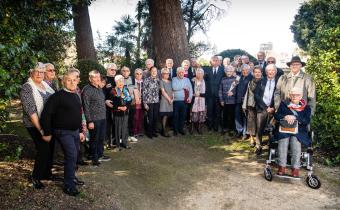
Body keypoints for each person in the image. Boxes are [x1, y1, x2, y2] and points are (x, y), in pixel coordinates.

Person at [40, 71, 85, 196]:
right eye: (69, 80)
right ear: (63, 81)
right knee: (71, 155)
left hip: (75, 131)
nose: (72, 82)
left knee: (76, 155)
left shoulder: (76, 95)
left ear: (77, 81)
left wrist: (81, 131)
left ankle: (71, 177)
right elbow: (46, 115)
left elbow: (78, 115)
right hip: (62, 131)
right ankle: (68, 185)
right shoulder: (57, 96)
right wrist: (47, 132)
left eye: (74, 80)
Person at [20, 62, 55, 189]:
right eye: (37, 71)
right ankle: (36, 177)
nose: (40, 74)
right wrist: (41, 129)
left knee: (51, 148)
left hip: (48, 123)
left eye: (42, 72)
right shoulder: (27, 87)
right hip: (34, 124)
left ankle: (47, 173)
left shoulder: (46, 85)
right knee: (43, 149)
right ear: (31, 73)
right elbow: (31, 111)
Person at [274, 87, 311, 177]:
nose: (294, 97)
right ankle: (281, 166)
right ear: (290, 96)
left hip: (299, 131)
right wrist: (285, 116)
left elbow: (306, 120)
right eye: (292, 95)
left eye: (297, 95)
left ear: (301, 96)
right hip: (284, 129)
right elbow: (277, 115)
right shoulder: (284, 104)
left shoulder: (306, 108)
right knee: (283, 140)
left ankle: (295, 168)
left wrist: (296, 118)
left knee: (295, 141)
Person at [82, 70, 109, 166]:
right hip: (94, 119)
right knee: (94, 139)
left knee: (101, 138)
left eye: (99, 77)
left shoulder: (99, 88)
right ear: (90, 78)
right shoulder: (87, 90)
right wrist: (89, 121)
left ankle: (100, 154)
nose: (98, 79)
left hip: (102, 117)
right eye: (95, 77)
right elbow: (86, 106)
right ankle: (94, 158)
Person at [254, 64, 278, 155]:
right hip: (262, 108)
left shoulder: (278, 82)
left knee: (273, 128)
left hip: (273, 109)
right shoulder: (261, 81)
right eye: (269, 70)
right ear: (266, 72)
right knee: (259, 128)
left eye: (272, 70)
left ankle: (271, 146)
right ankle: (258, 146)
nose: (271, 72)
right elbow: (257, 96)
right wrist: (265, 107)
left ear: (275, 71)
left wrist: (273, 108)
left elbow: (280, 96)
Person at [107, 75, 132, 150]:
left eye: (122, 81)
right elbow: (111, 103)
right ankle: (117, 145)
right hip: (117, 113)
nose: (121, 82)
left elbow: (129, 100)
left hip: (125, 112)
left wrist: (126, 107)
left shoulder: (125, 89)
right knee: (118, 129)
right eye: (119, 81)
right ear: (116, 82)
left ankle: (124, 143)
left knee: (125, 128)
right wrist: (119, 107)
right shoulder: (113, 91)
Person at [242, 66, 262, 144]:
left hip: (261, 105)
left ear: (261, 73)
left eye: (259, 72)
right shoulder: (250, 82)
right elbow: (247, 94)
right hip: (251, 104)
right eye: (255, 72)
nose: (257, 74)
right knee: (251, 122)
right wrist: (245, 105)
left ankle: (258, 139)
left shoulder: (264, 82)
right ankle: (251, 138)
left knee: (259, 123)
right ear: (253, 73)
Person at [205, 55, 224, 132]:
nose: (215, 62)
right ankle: (210, 126)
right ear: (211, 62)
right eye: (214, 60)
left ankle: (216, 127)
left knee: (217, 112)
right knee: (210, 111)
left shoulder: (223, 70)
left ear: (219, 61)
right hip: (209, 95)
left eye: (217, 60)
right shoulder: (207, 70)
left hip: (219, 95)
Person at [172, 67, 193, 136]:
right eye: (179, 72)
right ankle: (175, 130)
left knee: (183, 116)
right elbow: (174, 88)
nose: (181, 73)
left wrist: (190, 97)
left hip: (184, 101)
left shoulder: (187, 79)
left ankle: (181, 129)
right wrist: (183, 87)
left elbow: (190, 90)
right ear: (177, 73)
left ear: (184, 73)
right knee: (175, 116)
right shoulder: (174, 79)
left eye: (182, 72)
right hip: (176, 101)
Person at [235, 64, 253, 139]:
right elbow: (234, 85)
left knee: (245, 117)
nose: (244, 71)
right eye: (243, 70)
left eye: (246, 70)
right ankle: (239, 130)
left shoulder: (252, 78)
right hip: (238, 100)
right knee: (237, 116)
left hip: (246, 101)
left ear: (249, 70)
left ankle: (245, 133)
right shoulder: (239, 77)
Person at [219, 65, 238, 135]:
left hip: (233, 101)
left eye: (230, 71)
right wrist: (221, 100)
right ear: (225, 72)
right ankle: (224, 128)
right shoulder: (223, 79)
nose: (229, 72)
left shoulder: (236, 79)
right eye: (227, 71)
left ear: (233, 72)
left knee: (232, 116)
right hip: (224, 101)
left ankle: (231, 129)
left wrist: (232, 93)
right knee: (224, 116)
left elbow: (238, 90)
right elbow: (220, 90)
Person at [142, 66, 160, 138]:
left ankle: (154, 131)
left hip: (156, 101)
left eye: (155, 71)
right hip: (149, 101)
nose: (154, 72)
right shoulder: (146, 80)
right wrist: (145, 103)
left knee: (155, 117)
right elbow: (144, 92)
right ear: (150, 71)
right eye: (153, 70)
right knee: (150, 117)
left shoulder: (158, 80)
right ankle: (149, 133)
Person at [121, 66, 138, 142]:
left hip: (132, 102)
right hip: (123, 103)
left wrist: (135, 99)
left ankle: (131, 135)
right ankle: (122, 136)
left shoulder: (133, 79)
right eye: (123, 71)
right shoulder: (119, 79)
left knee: (131, 119)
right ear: (121, 72)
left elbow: (136, 90)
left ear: (129, 72)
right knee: (123, 120)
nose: (125, 72)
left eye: (127, 71)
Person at [104, 63, 117, 149]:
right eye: (111, 69)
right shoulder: (103, 79)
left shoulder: (117, 79)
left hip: (116, 105)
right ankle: (107, 143)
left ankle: (115, 141)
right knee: (108, 124)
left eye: (115, 70)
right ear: (107, 70)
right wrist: (105, 101)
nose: (113, 71)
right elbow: (100, 91)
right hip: (106, 106)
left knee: (116, 123)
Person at [190, 68, 206, 134]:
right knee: (193, 114)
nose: (199, 74)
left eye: (200, 73)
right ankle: (192, 128)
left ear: (203, 74)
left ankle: (200, 128)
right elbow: (189, 89)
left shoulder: (205, 81)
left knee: (201, 115)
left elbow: (208, 93)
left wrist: (200, 94)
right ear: (195, 74)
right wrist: (193, 94)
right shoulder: (193, 81)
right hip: (194, 100)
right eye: (197, 73)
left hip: (203, 100)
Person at [159, 68, 173, 137]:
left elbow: (172, 90)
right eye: (165, 73)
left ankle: (163, 129)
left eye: (168, 73)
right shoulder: (161, 81)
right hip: (164, 100)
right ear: (162, 74)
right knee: (164, 115)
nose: (167, 74)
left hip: (170, 100)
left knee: (167, 115)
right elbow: (163, 92)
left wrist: (172, 98)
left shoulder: (170, 81)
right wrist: (169, 99)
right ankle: (163, 131)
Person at [132, 68, 144, 138]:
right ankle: (134, 131)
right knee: (135, 117)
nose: (139, 75)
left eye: (140, 74)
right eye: (137, 73)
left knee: (141, 117)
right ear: (134, 74)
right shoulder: (133, 82)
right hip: (135, 102)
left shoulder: (144, 82)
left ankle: (140, 131)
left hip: (142, 102)